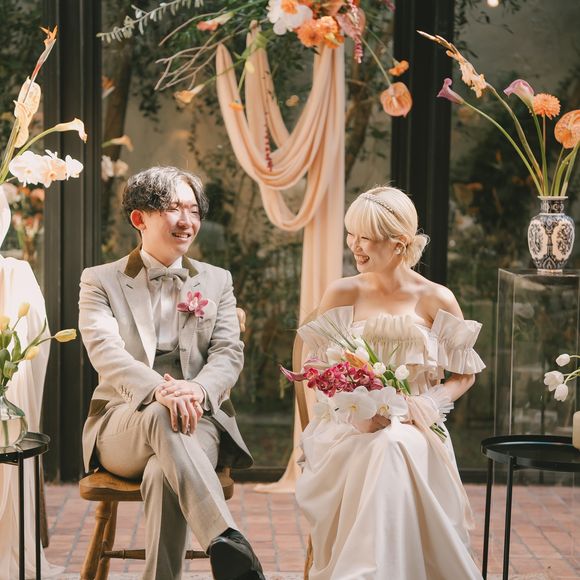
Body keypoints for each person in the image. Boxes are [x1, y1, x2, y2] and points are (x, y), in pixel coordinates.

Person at [79, 166, 264, 580]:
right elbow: (105, 351)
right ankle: (226, 537)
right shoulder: (100, 281)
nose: (187, 220)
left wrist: (196, 390)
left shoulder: (217, 280)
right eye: (172, 208)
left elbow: (228, 354)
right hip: (122, 423)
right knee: (163, 415)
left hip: (199, 421)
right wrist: (159, 392)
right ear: (139, 218)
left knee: (164, 472)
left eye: (193, 210)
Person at [295, 186, 485, 579]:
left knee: (394, 443)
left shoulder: (436, 298)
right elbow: (315, 365)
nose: (354, 246)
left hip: (416, 423)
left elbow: (464, 374)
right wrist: (355, 413)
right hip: (347, 425)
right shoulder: (342, 292)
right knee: (385, 445)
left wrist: (430, 403)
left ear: (399, 242)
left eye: (365, 237)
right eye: (351, 234)